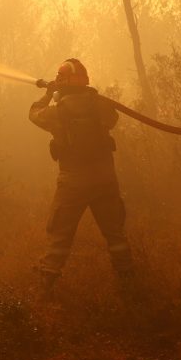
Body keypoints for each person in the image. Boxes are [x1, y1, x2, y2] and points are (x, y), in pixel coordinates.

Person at [29, 58, 134, 294]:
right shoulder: (100, 105)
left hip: (73, 183)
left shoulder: (57, 112)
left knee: (59, 236)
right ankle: (128, 280)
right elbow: (113, 118)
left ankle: (46, 286)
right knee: (115, 234)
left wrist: (48, 94)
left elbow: (33, 113)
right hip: (105, 180)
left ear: (62, 82)